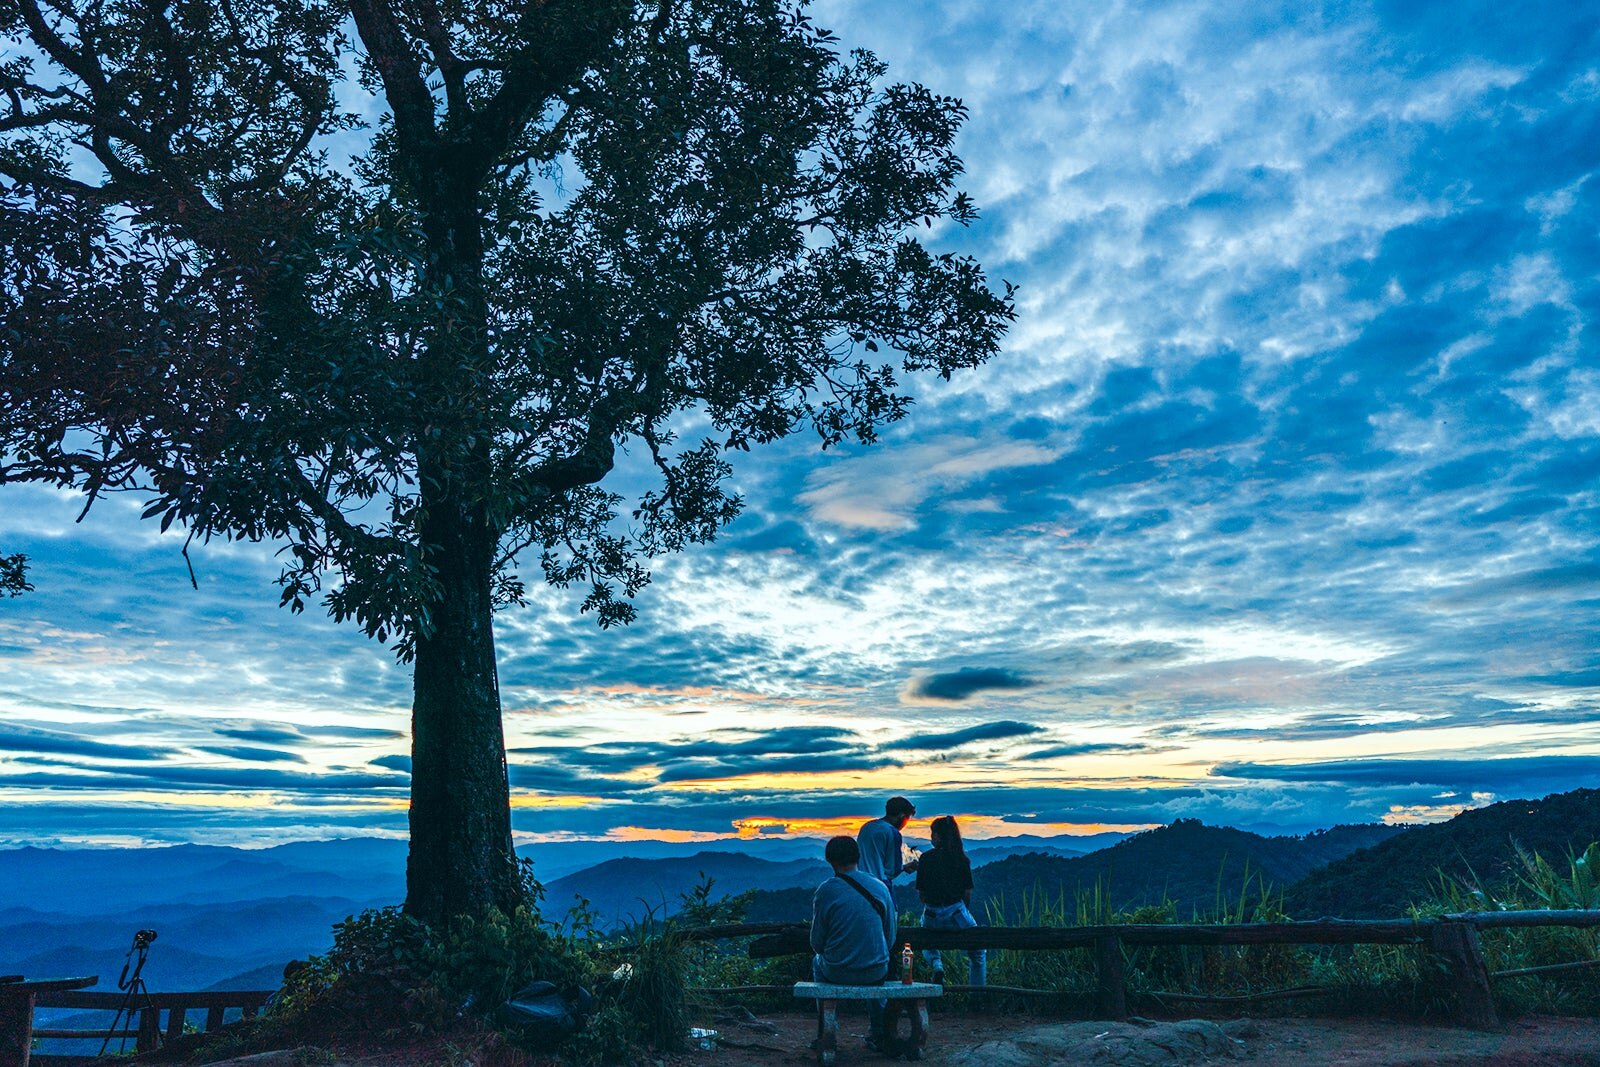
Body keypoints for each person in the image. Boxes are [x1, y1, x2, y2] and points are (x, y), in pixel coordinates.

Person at [810, 835, 895, 1045]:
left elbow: (817, 944)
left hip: (837, 971)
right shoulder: (880, 887)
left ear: (830, 860)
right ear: (858, 857)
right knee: (878, 964)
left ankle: (825, 1028)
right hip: (876, 970)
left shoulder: (826, 890)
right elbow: (890, 936)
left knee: (816, 961)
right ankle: (879, 1031)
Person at [915, 815, 986, 987]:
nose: (931, 838)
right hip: (956, 915)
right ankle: (977, 993)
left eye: (933, 834)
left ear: (939, 836)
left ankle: (937, 964)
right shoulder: (961, 859)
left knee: (925, 940)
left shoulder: (925, 859)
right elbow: (967, 893)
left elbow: (922, 895)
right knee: (978, 952)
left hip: (931, 916)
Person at [857, 795, 917, 886]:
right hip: (879, 885)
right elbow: (892, 870)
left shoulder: (867, 827)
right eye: (907, 819)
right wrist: (904, 867)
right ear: (902, 816)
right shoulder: (892, 833)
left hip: (859, 881)